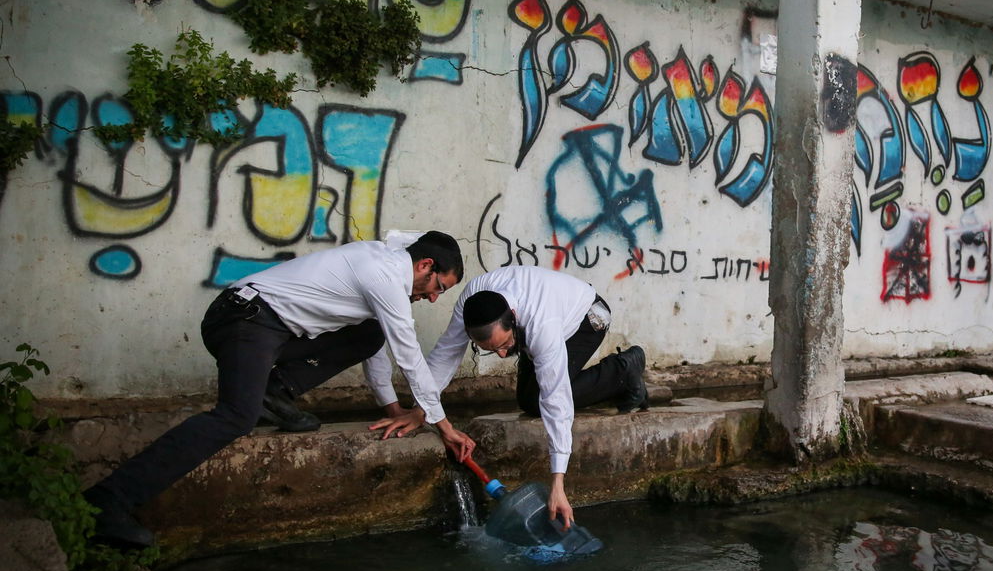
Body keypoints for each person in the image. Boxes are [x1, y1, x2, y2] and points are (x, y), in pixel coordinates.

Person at [83, 231, 473, 548]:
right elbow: (409, 356)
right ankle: (107, 502)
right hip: (244, 318)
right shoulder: (385, 275)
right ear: (424, 265)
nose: (433, 297)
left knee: (369, 333)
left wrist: (391, 408)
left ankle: (275, 391)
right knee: (236, 416)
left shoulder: (387, 263)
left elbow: (380, 345)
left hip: (271, 328)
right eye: (438, 285)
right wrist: (443, 425)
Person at [367, 265, 647, 529]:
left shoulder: (542, 325)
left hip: (588, 316)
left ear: (513, 317)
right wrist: (420, 410)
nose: (503, 355)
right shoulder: (471, 302)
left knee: (543, 397)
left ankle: (625, 368)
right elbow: (446, 354)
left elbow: (556, 399)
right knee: (528, 402)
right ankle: (619, 373)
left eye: (504, 345)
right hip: (542, 314)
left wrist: (557, 483)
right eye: (490, 350)